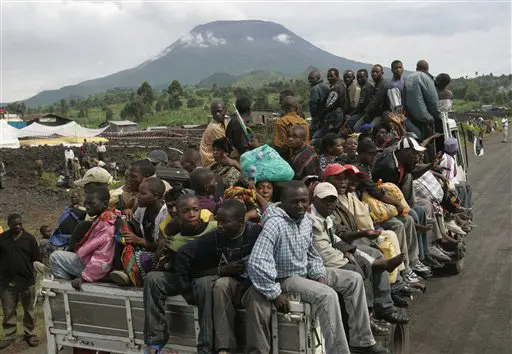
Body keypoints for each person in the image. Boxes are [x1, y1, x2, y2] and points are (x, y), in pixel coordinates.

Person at [247, 181, 388, 354]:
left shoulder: (305, 220)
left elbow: (311, 253)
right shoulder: (274, 224)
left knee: (354, 279)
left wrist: (319, 274)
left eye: (304, 201)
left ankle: (362, 341)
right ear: (283, 202)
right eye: (294, 201)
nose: (300, 205)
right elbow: (257, 262)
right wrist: (274, 293)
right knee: (327, 295)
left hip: (304, 272)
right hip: (285, 278)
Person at [308, 183, 408, 327]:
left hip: (343, 243)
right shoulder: (313, 219)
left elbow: (335, 237)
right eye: (325, 200)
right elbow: (324, 252)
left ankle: (378, 308)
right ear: (315, 200)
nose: (329, 204)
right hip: (320, 263)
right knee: (356, 269)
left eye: (332, 200)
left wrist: (350, 250)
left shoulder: (327, 216)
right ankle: (366, 318)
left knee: (367, 259)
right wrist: (347, 254)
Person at [174, 200, 262, 354]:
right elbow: (183, 254)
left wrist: (244, 288)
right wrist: (186, 290)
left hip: (255, 281)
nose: (219, 225)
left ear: (240, 222)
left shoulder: (255, 233)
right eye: (218, 221)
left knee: (256, 303)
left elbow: (264, 264)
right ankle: (225, 347)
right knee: (220, 286)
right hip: (233, 280)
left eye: (225, 222)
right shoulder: (215, 236)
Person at [143, 194, 217, 354]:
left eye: (195, 210)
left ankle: (206, 347)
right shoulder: (174, 240)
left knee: (204, 284)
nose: (191, 214)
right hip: (183, 279)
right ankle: (154, 340)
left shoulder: (214, 229)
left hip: (206, 277)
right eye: (186, 211)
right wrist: (160, 251)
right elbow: (165, 267)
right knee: (152, 278)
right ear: (177, 214)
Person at [48, 186, 120, 290]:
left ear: (104, 204)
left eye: (91, 203)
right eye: (86, 203)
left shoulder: (105, 225)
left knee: (55, 257)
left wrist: (84, 277)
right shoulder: (108, 217)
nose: (87, 207)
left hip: (97, 270)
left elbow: (102, 257)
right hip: (91, 264)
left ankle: (63, 289)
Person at [0, 214, 40, 349]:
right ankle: (9, 335)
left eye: (20, 224)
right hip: (7, 282)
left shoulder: (30, 239)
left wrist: (34, 276)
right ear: (8, 224)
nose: (18, 226)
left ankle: (31, 334)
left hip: (27, 281)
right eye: (14, 224)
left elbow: (36, 260)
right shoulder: (2, 239)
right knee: (8, 310)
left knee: (29, 310)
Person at [404, 60, 440, 143]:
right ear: (427, 69)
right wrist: (436, 115)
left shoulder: (408, 78)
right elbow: (432, 99)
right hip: (425, 118)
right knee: (427, 143)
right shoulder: (426, 78)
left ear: (416, 68)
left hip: (410, 117)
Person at [439, 137, 473, 209]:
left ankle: (469, 207)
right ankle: (463, 209)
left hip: (452, 181)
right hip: (448, 185)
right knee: (462, 188)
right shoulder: (448, 160)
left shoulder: (449, 157)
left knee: (467, 185)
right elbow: (446, 179)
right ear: (454, 149)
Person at [354, 65, 389, 132]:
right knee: (356, 127)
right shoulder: (375, 85)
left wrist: (367, 112)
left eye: (377, 72)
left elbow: (376, 100)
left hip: (380, 115)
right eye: (373, 72)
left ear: (382, 73)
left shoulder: (383, 84)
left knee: (369, 130)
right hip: (372, 113)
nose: (374, 73)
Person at [318, 68, 347, 137]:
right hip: (339, 114)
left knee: (327, 135)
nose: (329, 78)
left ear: (337, 76)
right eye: (328, 76)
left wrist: (323, 112)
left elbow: (330, 104)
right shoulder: (342, 85)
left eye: (331, 76)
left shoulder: (336, 88)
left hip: (334, 115)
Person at [200, 100, 227, 166]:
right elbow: (226, 149)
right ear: (212, 113)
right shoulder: (215, 127)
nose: (217, 114)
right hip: (211, 161)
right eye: (215, 112)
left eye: (219, 111)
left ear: (225, 111)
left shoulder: (223, 122)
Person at [308, 70, 330, 136]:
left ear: (318, 78)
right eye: (309, 79)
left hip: (317, 117)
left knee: (312, 134)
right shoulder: (327, 87)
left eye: (312, 78)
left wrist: (314, 115)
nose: (310, 81)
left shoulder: (315, 88)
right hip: (325, 115)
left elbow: (313, 104)